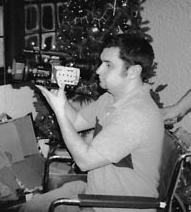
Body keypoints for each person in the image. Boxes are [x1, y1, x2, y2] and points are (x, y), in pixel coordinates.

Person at [20, 34, 164, 212]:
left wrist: (59, 111)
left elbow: (84, 161)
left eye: (108, 65)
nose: (98, 70)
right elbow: (77, 121)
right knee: (31, 208)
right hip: (95, 195)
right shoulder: (111, 98)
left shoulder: (137, 114)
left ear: (133, 72)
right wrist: (59, 96)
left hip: (116, 207)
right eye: (101, 63)